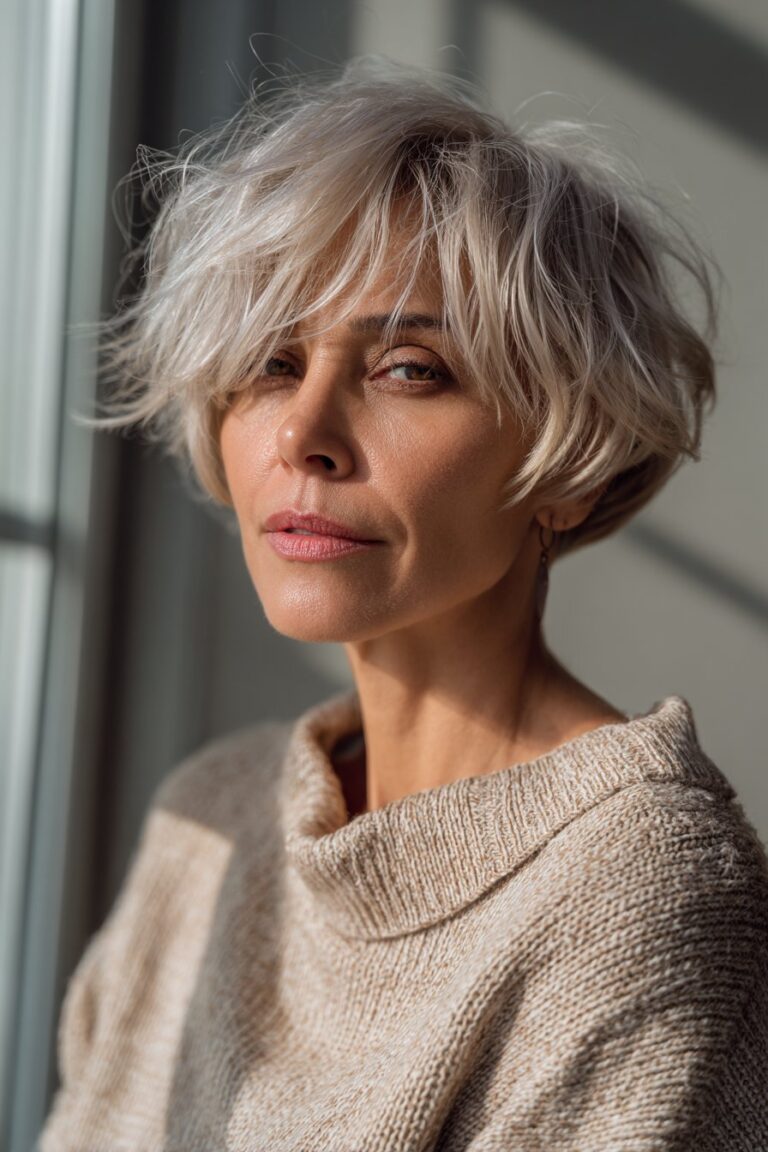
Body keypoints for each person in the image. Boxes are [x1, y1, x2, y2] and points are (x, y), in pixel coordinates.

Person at [40, 58, 768, 1150]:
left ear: (575, 461)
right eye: (273, 362)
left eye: (410, 368)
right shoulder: (214, 818)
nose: (305, 434)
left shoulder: (641, 884)